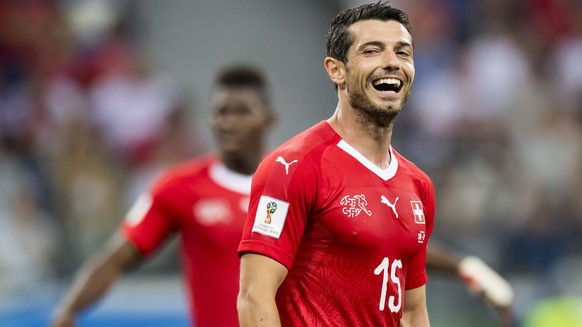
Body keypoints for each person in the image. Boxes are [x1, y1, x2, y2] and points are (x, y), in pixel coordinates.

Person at [237, 3, 434, 326]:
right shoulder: (292, 167)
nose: (392, 63)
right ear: (336, 69)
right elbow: (254, 296)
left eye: (403, 53)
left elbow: (411, 312)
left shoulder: (418, 186)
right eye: (372, 51)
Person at [50, 63, 276, 327]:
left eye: (242, 112)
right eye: (221, 112)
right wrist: (68, 310)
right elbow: (116, 258)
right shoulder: (179, 187)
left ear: (267, 119)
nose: (229, 122)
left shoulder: (296, 183)